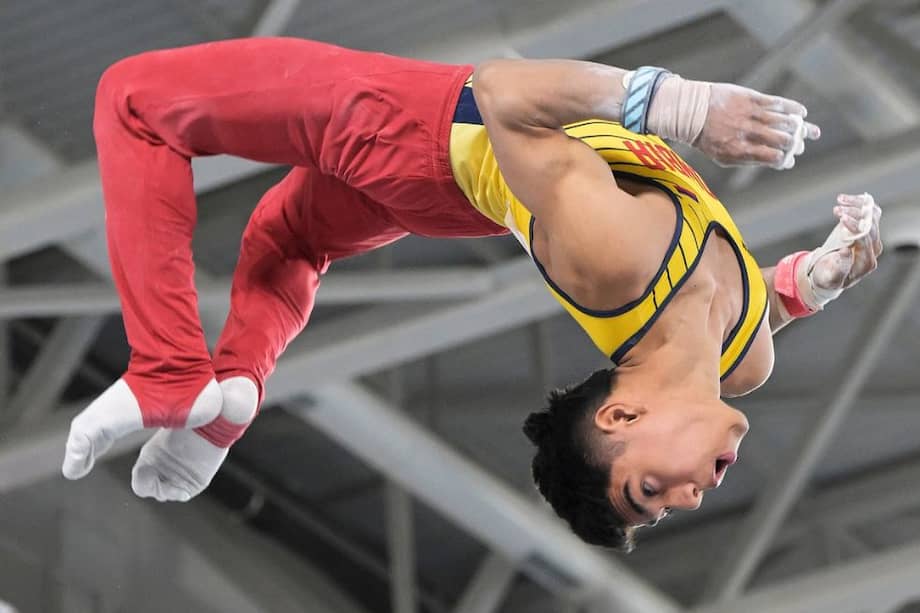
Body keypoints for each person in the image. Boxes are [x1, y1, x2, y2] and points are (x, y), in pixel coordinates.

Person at [62, 38, 882, 551]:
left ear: (621, 416)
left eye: (648, 492)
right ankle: (235, 390)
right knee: (289, 239)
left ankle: (169, 370)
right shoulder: (745, 359)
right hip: (453, 201)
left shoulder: (614, 260)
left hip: (412, 131)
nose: (689, 496)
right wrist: (817, 277)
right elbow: (756, 300)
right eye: (667, 507)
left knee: (137, 103)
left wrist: (681, 104)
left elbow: (501, 92)